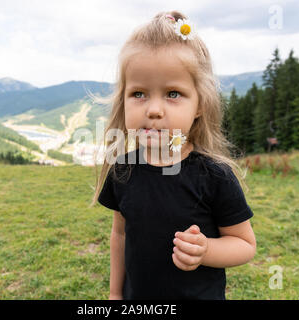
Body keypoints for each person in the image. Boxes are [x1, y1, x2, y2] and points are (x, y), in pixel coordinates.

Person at [90, 10, 256, 300]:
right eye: (139, 94)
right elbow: (120, 235)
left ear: (200, 104)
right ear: (123, 99)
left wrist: (206, 250)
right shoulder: (123, 169)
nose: (153, 109)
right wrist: (115, 294)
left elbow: (244, 244)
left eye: (173, 94)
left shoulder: (214, 175)